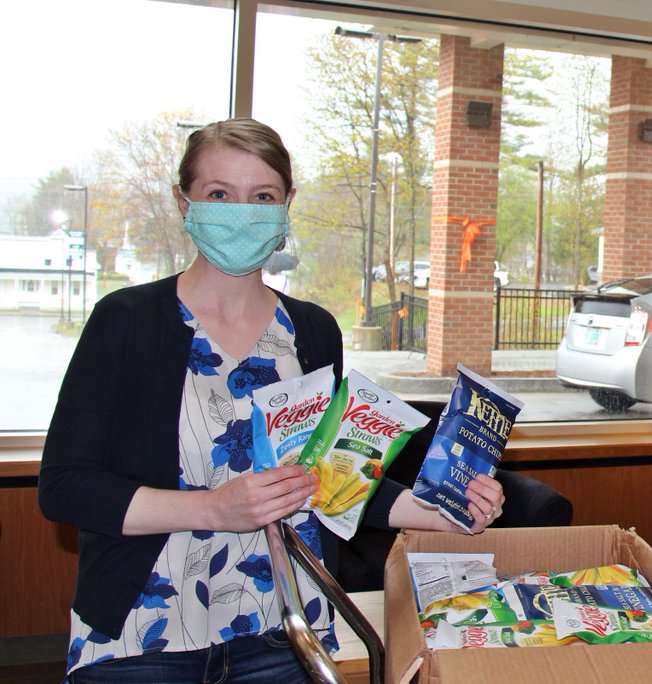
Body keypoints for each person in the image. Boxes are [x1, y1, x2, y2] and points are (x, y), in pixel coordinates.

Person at [38, 118, 506, 682]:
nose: (242, 211)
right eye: (219, 194)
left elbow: (332, 480)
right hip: (144, 634)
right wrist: (213, 509)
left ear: (286, 206)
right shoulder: (126, 321)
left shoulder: (310, 330)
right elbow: (65, 488)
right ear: (185, 204)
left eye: (261, 196)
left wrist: (446, 511)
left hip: (285, 633)